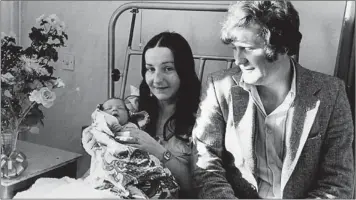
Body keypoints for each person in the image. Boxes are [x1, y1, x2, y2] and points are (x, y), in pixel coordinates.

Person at [192, 0, 355, 199]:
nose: (238, 59)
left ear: (283, 47)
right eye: (235, 48)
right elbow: (205, 161)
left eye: (248, 49)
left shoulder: (331, 93)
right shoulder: (219, 86)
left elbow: (338, 181)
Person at [114, 31, 201, 198]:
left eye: (167, 69)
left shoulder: (201, 119)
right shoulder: (133, 108)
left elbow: (195, 187)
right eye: (150, 69)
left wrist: (156, 149)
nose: (157, 79)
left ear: (184, 71)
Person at [81, 97, 179, 199]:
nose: (114, 109)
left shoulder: (133, 127)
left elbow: (143, 145)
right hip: (111, 159)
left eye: (120, 108)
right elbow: (91, 144)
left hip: (134, 160)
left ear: (129, 114)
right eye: (108, 108)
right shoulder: (98, 128)